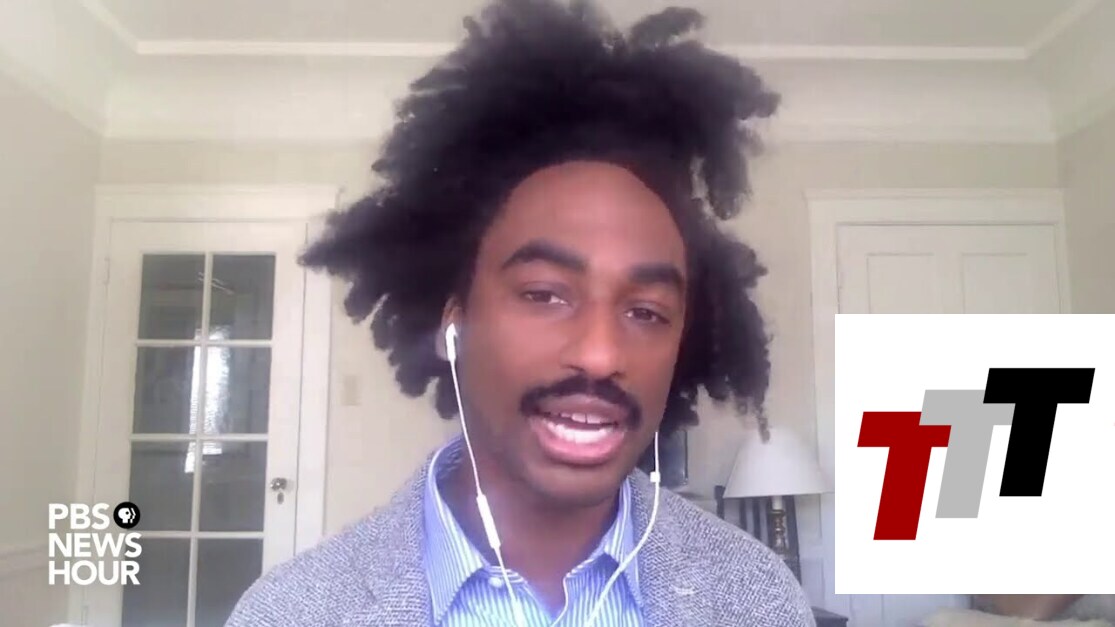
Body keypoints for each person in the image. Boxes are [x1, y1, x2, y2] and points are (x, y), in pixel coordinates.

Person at [228, 0, 813, 624]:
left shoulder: (757, 600)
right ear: (453, 320)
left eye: (646, 311)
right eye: (545, 294)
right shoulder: (291, 613)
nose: (600, 354)